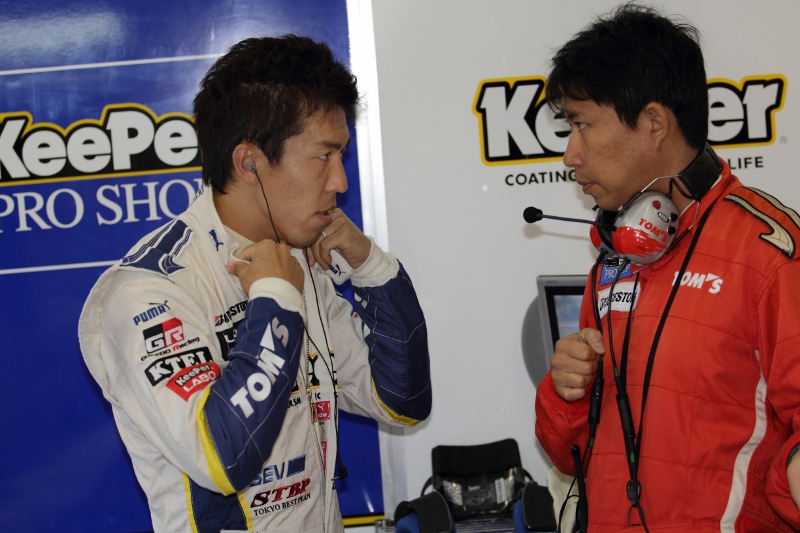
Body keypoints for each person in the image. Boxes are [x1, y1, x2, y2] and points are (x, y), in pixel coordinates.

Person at [78, 35, 432, 533]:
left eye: (342, 155)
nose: (340, 182)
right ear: (249, 163)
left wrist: (371, 266)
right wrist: (276, 299)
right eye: (323, 156)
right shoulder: (148, 291)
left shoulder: (297, 261)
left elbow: (401, 401)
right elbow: (222, 457)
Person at [534, 4, 800, 532]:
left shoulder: (770, 253)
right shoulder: (616, 257)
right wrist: (567, 394)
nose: (570, 154)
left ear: (653, 123)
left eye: (582, 124)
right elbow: (571, 458)